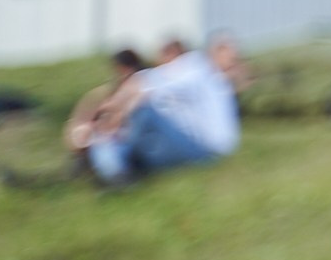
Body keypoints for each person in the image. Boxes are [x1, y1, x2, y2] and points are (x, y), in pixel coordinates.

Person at [80, 36, 240, 185]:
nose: (234, 61)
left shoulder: (201, 70)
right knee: (142, 138)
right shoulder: (205, 74)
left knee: (145, 112)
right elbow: (151, 84)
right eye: (231, 56)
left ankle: (110, 165)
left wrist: (115, 110)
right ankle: (106, 160)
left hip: (203, 150)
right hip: (198, 149)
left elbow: (148, 82)